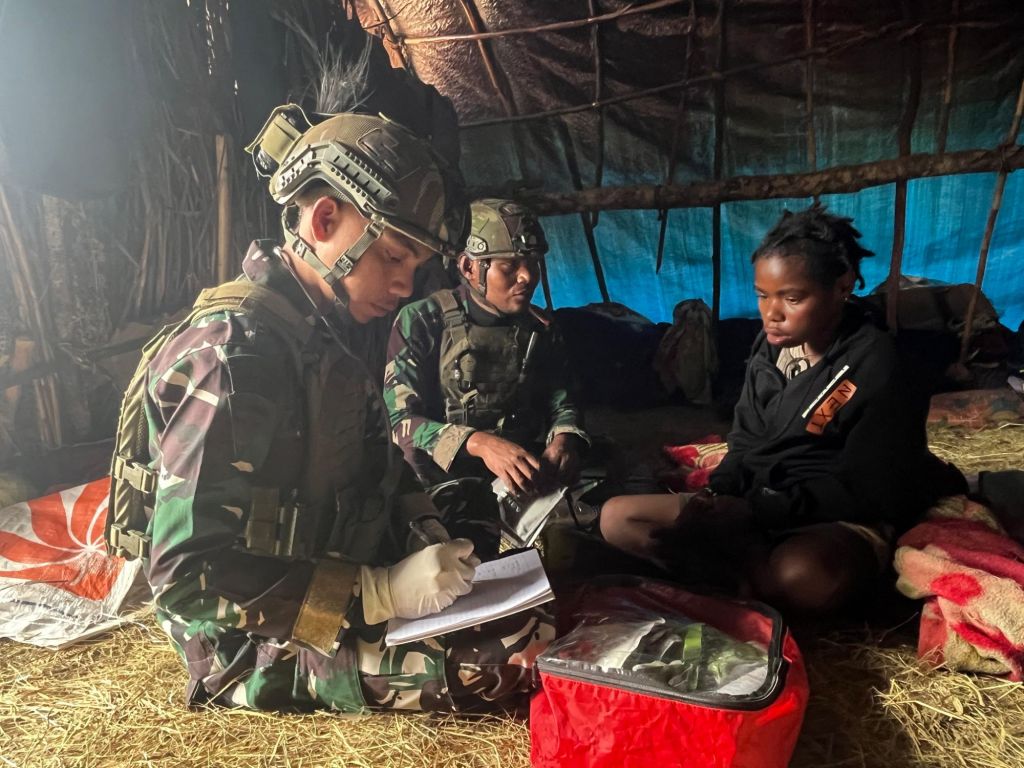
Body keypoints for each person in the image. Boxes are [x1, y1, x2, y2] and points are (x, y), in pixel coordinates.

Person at [108, 105, 553, 713]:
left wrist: (426, 533)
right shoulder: (232, 356)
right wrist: (377, 592)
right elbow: (186, 582)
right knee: (508, 659)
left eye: (416, 267)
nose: (404, 286)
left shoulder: (320, 337)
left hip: (329, 570)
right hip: (254, 638)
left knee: (507, 572)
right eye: (394, 257)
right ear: (324, 220)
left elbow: (382, 467)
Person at [599, 204, 966, 618]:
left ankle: (732, 577)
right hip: (752, 504)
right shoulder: (770, 350)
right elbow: (744, 440)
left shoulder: (875, 363)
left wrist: (758, 511)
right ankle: (745, 578)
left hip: (831, 516)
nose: (772, 314)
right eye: (763, 295)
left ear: (842, 287)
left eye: (792, 298)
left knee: (802, 575)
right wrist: (718, 494)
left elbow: (871, 488)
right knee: (617, 518)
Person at [384, 199, 588, 557]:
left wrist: (564, 438)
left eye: (533, 264)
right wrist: (478, 443)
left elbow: (562, 398)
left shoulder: (540, 328)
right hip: (438, 485)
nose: (527, 277)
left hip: (521, 485)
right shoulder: (422, 320)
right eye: (510, 266)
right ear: (469, 266)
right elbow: (400, 421)